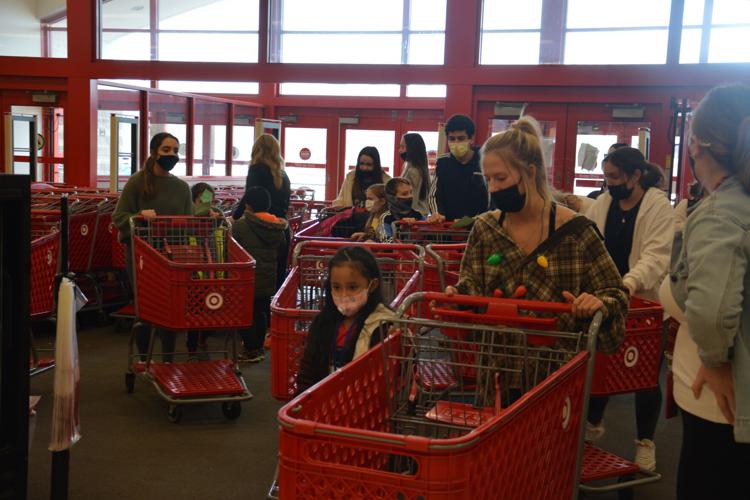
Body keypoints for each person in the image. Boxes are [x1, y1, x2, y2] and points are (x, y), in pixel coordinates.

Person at [446, 116, 628, 356]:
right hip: (496, 370)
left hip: (559, 375)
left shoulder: (575, 232)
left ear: (530, 173)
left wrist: (598, 303)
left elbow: (616, 294)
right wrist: (457, 297)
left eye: (501, 178)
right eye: (488, 179)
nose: (492, 188)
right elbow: (471, 284)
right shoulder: (485, 229)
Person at [664, 83, 750, 500]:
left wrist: (714, 360)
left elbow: (712, 312)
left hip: (721, 400)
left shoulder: (721, 213)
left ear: (699, 146)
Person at [583, 146, 675, 472]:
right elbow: (588, 241)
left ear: (635, 176)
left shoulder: (658, 207)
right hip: (608, 300)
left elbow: (656, 257)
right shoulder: (605, 203)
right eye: (605, 177)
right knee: (600, 366)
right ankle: (593, 424)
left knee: (645, 377)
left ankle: (645, 443)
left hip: (644, 304)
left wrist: (626, 285)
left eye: (614, 177)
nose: (608, 184)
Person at [112, 132, 193, 362]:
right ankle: (143, 359)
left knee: (170, 306)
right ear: (154, 152)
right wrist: (138, 216)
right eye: (166, 150)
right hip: (141, 254)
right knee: (145, 306)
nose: (171, 155)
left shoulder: (182, 188)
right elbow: (119, 216)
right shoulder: (137, 182)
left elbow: (189, 223)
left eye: (175, 151)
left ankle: (167, 359)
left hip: (171, 254)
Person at [296, 246, 396, 393]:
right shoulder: (323, 322)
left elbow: (390, 376)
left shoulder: (382, 324)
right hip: (323, 402)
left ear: (372, 285)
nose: (343, 294)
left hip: (361, 404)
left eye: (352, 287)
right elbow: (308, 370)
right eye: (336, 287)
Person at [232, 187, 288, 363]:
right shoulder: (278, 227)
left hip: (247, 278)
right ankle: (258, 347)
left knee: (244, 312)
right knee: (261, 312)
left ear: (248, 204)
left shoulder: (241, 225)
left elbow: (234, 251)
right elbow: (282, 251)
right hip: (268, 276)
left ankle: (251, 348)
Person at [232, 133, 292, 290]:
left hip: (258, 229)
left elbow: (250, 195)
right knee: (277, 275)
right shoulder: (283, 175)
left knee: (257, 280)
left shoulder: (256, 170)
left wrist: (235, 216)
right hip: (280, 229)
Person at [428, 114, 489, 222]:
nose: (456, 142)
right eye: (452, 139)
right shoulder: (443, 163)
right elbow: (433, 195)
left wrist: (473, 220)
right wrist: (437, 213)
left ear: (471, 139)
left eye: (461, 138)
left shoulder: (484, 161)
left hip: (476, 225)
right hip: (447, 228)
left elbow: (490, 196)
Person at [377, 177, 424, 242]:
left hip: (419, 251)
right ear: (392, 198)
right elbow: (386, 241)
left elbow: (429, 237)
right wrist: (402, 229)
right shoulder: (386, 217)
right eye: (404, 194)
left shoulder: (418, 215)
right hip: (398, 251)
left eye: (411, 192)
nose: (410, 196)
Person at [399, 133, 431, 217]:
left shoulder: (413, 171)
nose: (399, 150)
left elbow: (412, 200)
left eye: (403, 147)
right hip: (420, 215)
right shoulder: (420, 168)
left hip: (414, 218)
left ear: (412, 149)